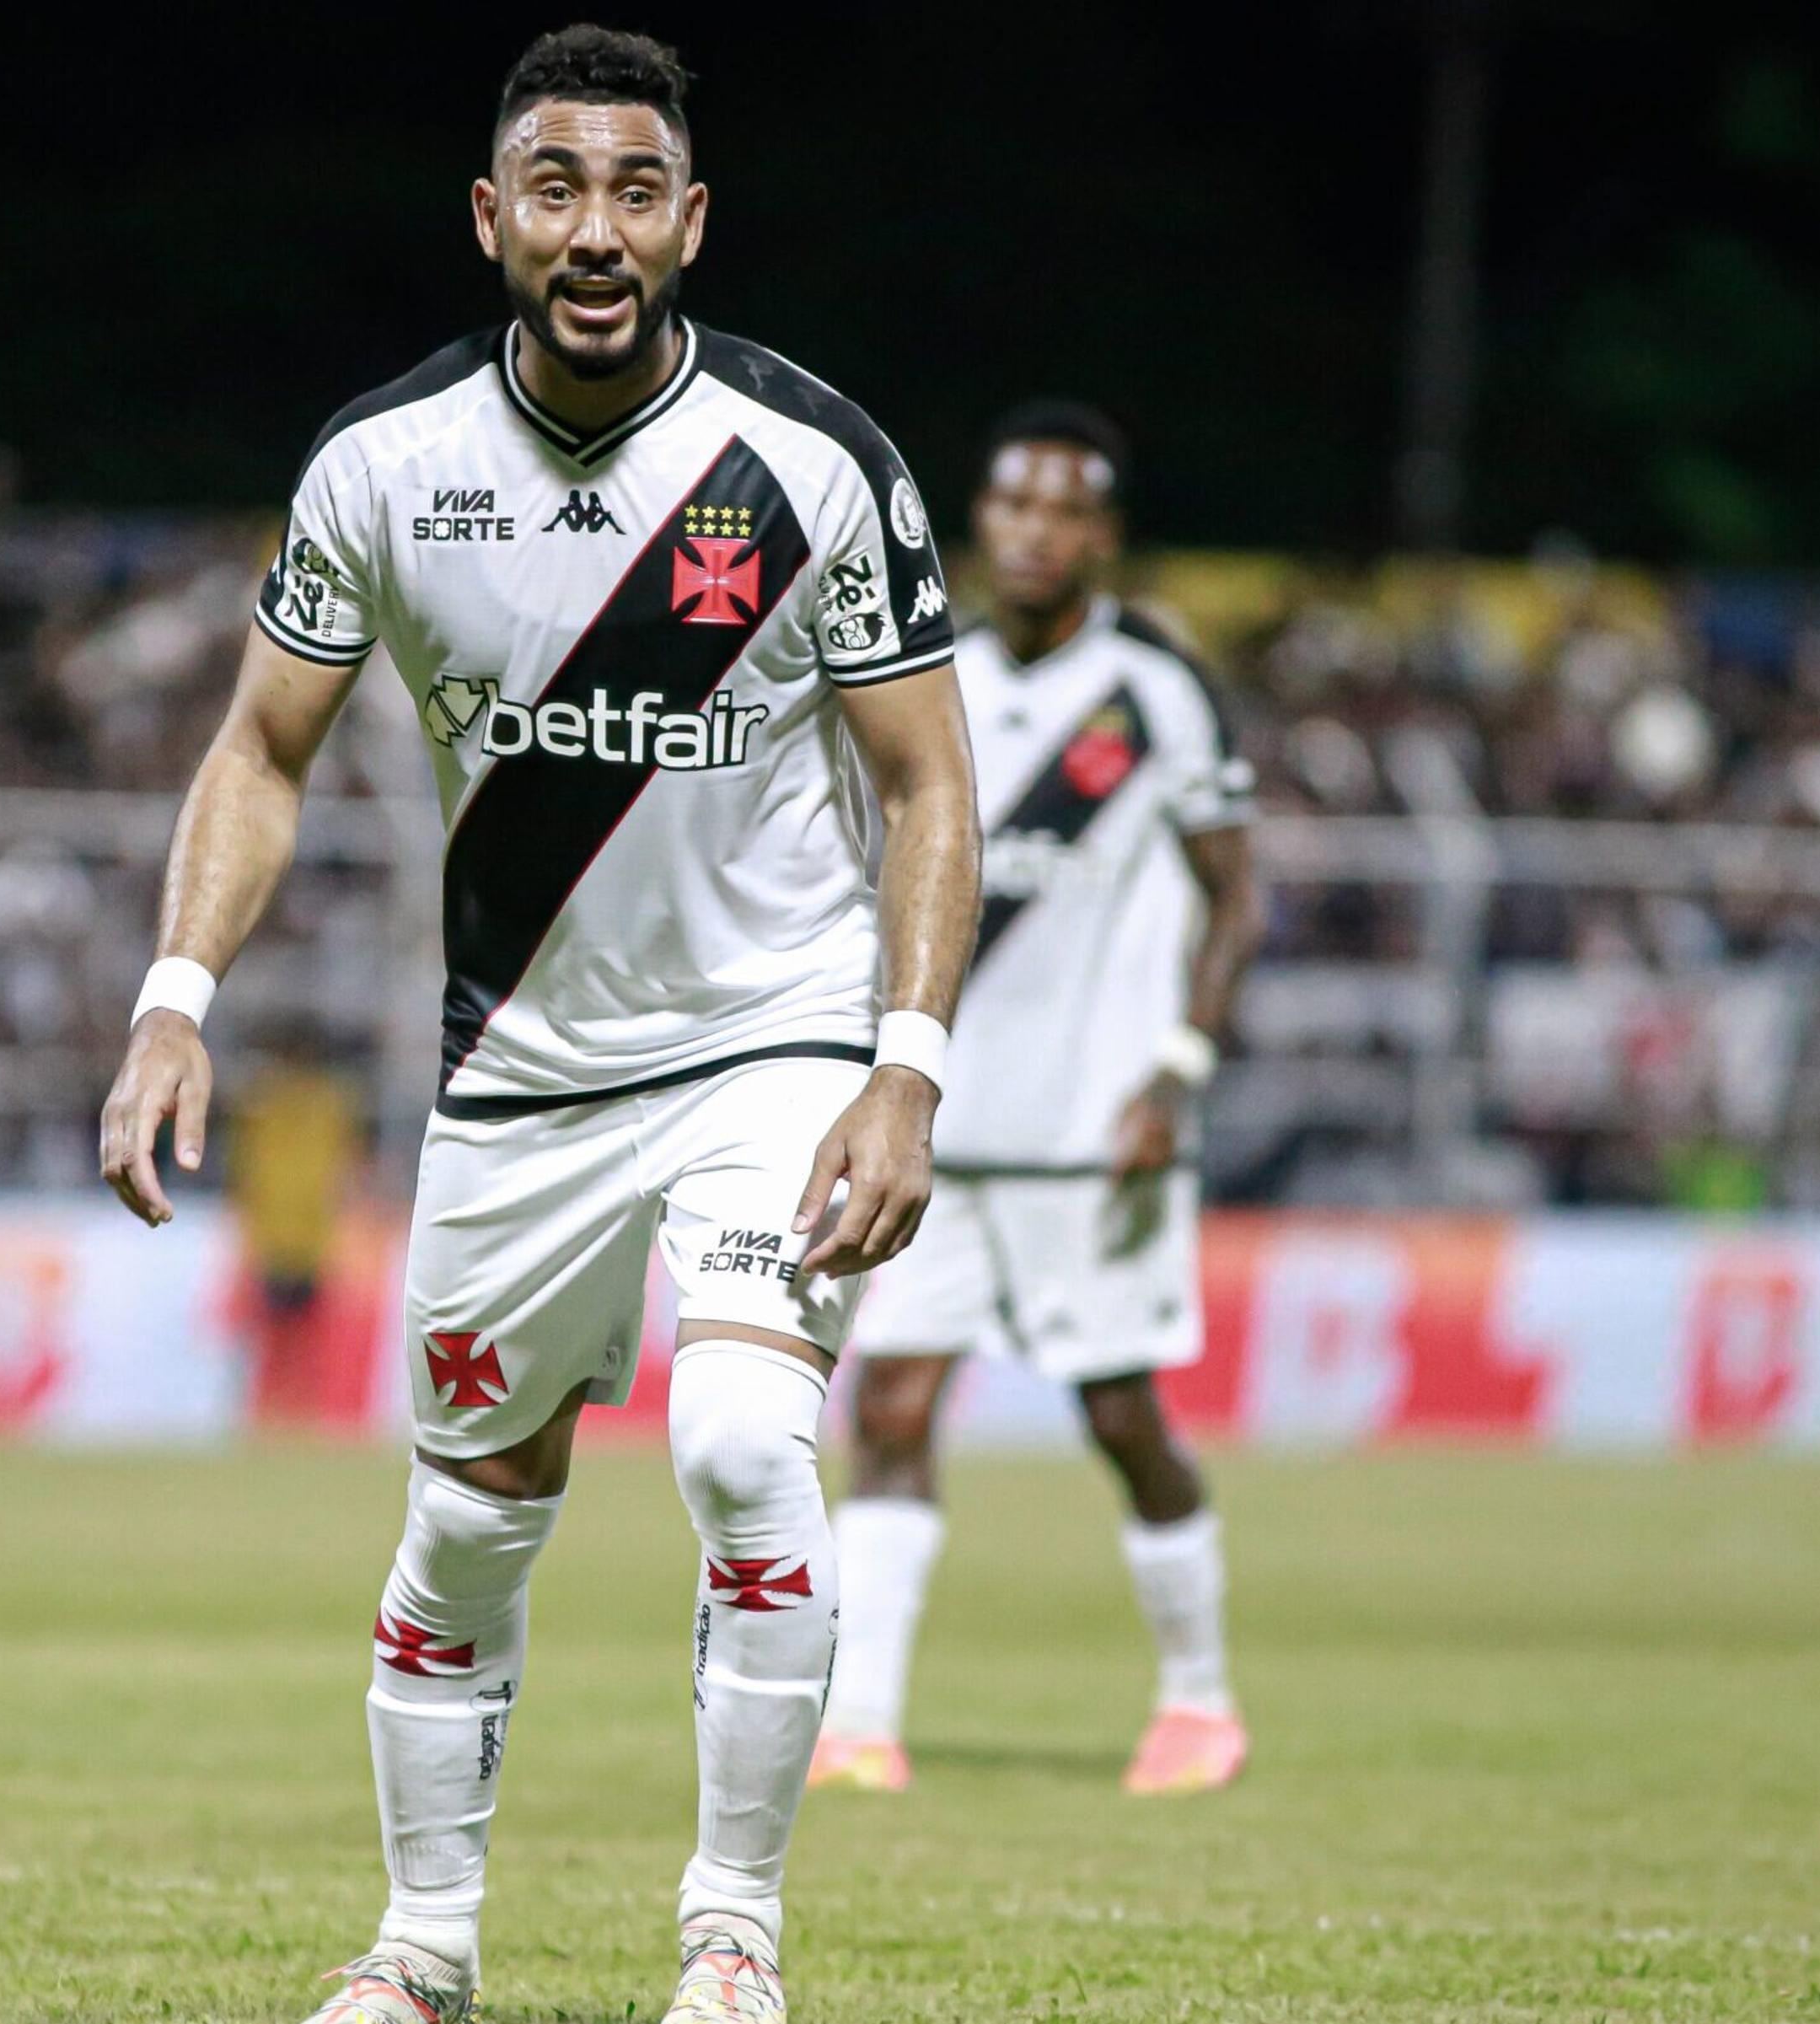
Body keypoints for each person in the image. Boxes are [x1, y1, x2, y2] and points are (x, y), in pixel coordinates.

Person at [96, 26, 979, 2024]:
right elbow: (259, 747)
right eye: (557, 189)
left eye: (635, 189)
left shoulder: (812, 464)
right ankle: (423, 1954)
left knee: (752, 1446)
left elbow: (932, 785)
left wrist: (906, 1064)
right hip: (520, 1077)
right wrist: (173, 1004)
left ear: (690, 220)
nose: (598, 230)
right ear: (496, 220)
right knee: (469, 1530)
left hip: (776, 1043)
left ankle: (731, 1944)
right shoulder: (383, 470)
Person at [808, 403, 1264, 1800]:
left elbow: (1236, 893)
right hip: (936, 1125)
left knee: (1122, 1415)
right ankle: (861, 1722)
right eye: (1009, 505)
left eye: (1062, 511)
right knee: (890, 1405)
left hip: (1089, 1134)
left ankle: (1199, 1701)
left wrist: (1179, 1068)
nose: (1030, 531)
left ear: (1102, 537)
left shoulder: (1156, 691)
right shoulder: (920, 669)